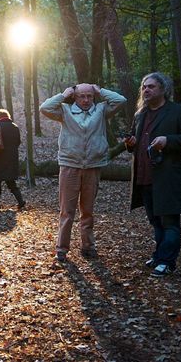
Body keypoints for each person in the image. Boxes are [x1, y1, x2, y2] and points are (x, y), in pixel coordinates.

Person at [40, 83, 126, 262]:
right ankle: (62, 249)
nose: (86, 100)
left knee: (87, 211)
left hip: (93, 166)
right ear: (75, 97)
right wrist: (64, 95)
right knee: (67, 211)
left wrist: (100, 90)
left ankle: (88, 247)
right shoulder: (64, 110)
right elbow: (45, 108)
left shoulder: (102, 110)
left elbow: (121, 100)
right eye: (81, 96)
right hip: (70, 166)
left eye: (89, 96)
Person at [124, 72, 181, 277]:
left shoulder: (178, 111)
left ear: (163, 89)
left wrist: (168, 140)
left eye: (151, 86)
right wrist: (131, 144)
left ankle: (167, 262)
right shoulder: (140, 114)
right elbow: (135, 143)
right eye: (144, 87)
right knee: (155, 221)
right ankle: (159, 256)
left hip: (167, 177)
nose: (146, 90)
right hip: (145, 177)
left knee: (170, 222)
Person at [0, 109, 25, 210]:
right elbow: (18, 142)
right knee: (11, 182)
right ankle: (21, 201)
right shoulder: (15, 127)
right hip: (12, 158)